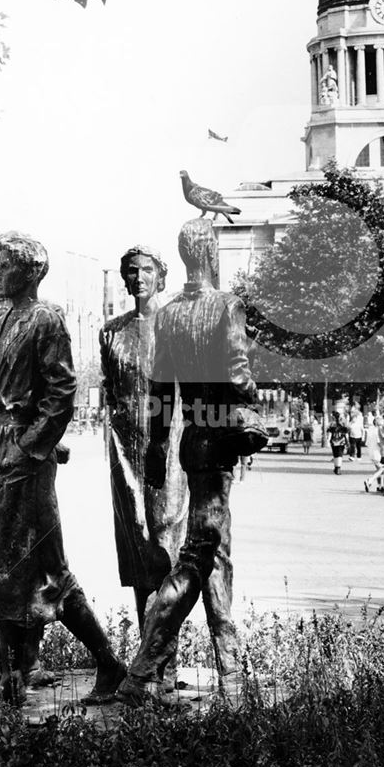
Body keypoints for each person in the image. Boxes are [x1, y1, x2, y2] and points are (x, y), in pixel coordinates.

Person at [0, 232, 125, 706]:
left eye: (4, 265)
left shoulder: (44, 319)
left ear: (30, 271)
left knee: (42, 567)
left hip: (23, 458)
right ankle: (14, 676)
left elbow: (62, 390)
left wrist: (31, 446)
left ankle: (106, 662)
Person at [117, 218, 267, 705]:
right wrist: (254, 389)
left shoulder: (169, 315)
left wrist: (158, 450)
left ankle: (230, 677)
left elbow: (161, 389)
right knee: (201, 556)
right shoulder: (227, 306)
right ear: (211, 253)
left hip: (189, 442)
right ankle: (144, 672)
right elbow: (240, 376)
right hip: (219, 440)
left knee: (214, 555)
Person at [99, 246, 188, 637]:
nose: (139, 277)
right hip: (123, 447)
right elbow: (109, 389)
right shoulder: (111, 331)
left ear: (160, 276)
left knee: (168, 544)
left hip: (167, 445)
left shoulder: (175, 326)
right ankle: (143, 652)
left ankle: (164, 657)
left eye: (147, 270)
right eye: (132, 271)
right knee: (135, 544)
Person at [363, 414, 384, 493]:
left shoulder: (370, 431)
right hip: (377, 452)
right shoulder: (378, 431)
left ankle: (379, 486)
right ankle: (370, 480)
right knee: (383, 468)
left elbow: (367, 443)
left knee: (379, 469)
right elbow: (379, 442)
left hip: (371, 452)